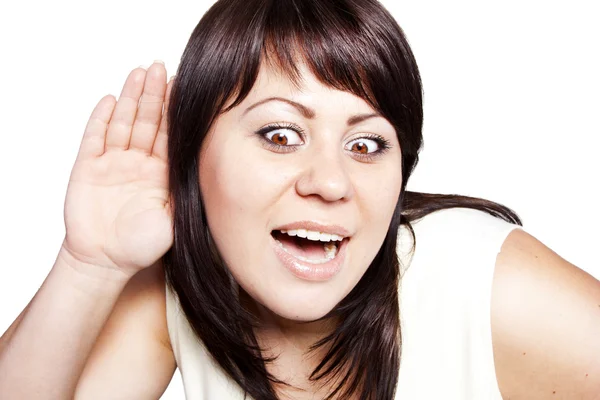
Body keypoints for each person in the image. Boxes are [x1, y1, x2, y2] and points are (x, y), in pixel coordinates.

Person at [1, 0, 599, 399]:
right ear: (191, 154)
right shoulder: (178, 293)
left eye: (367, 143)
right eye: (281, 135)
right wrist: (89, 269)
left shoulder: (481, 281)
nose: (332, 182)